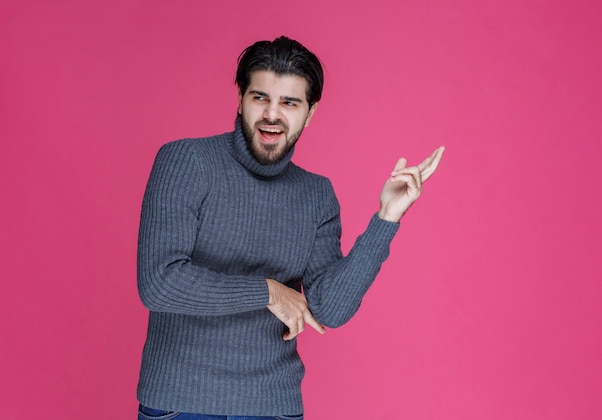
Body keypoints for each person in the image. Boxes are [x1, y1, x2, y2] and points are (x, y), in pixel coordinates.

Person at [136, 36, 444, 420]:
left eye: (289, 103)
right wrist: (268, 292)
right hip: (181, 402)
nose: (272, 115)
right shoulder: (186, 161)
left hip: (273, 406)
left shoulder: (316, 194)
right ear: (241, 99)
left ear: (310, 113)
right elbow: (160, 284)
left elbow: (328, 309)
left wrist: (386, 218)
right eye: (260, 97)